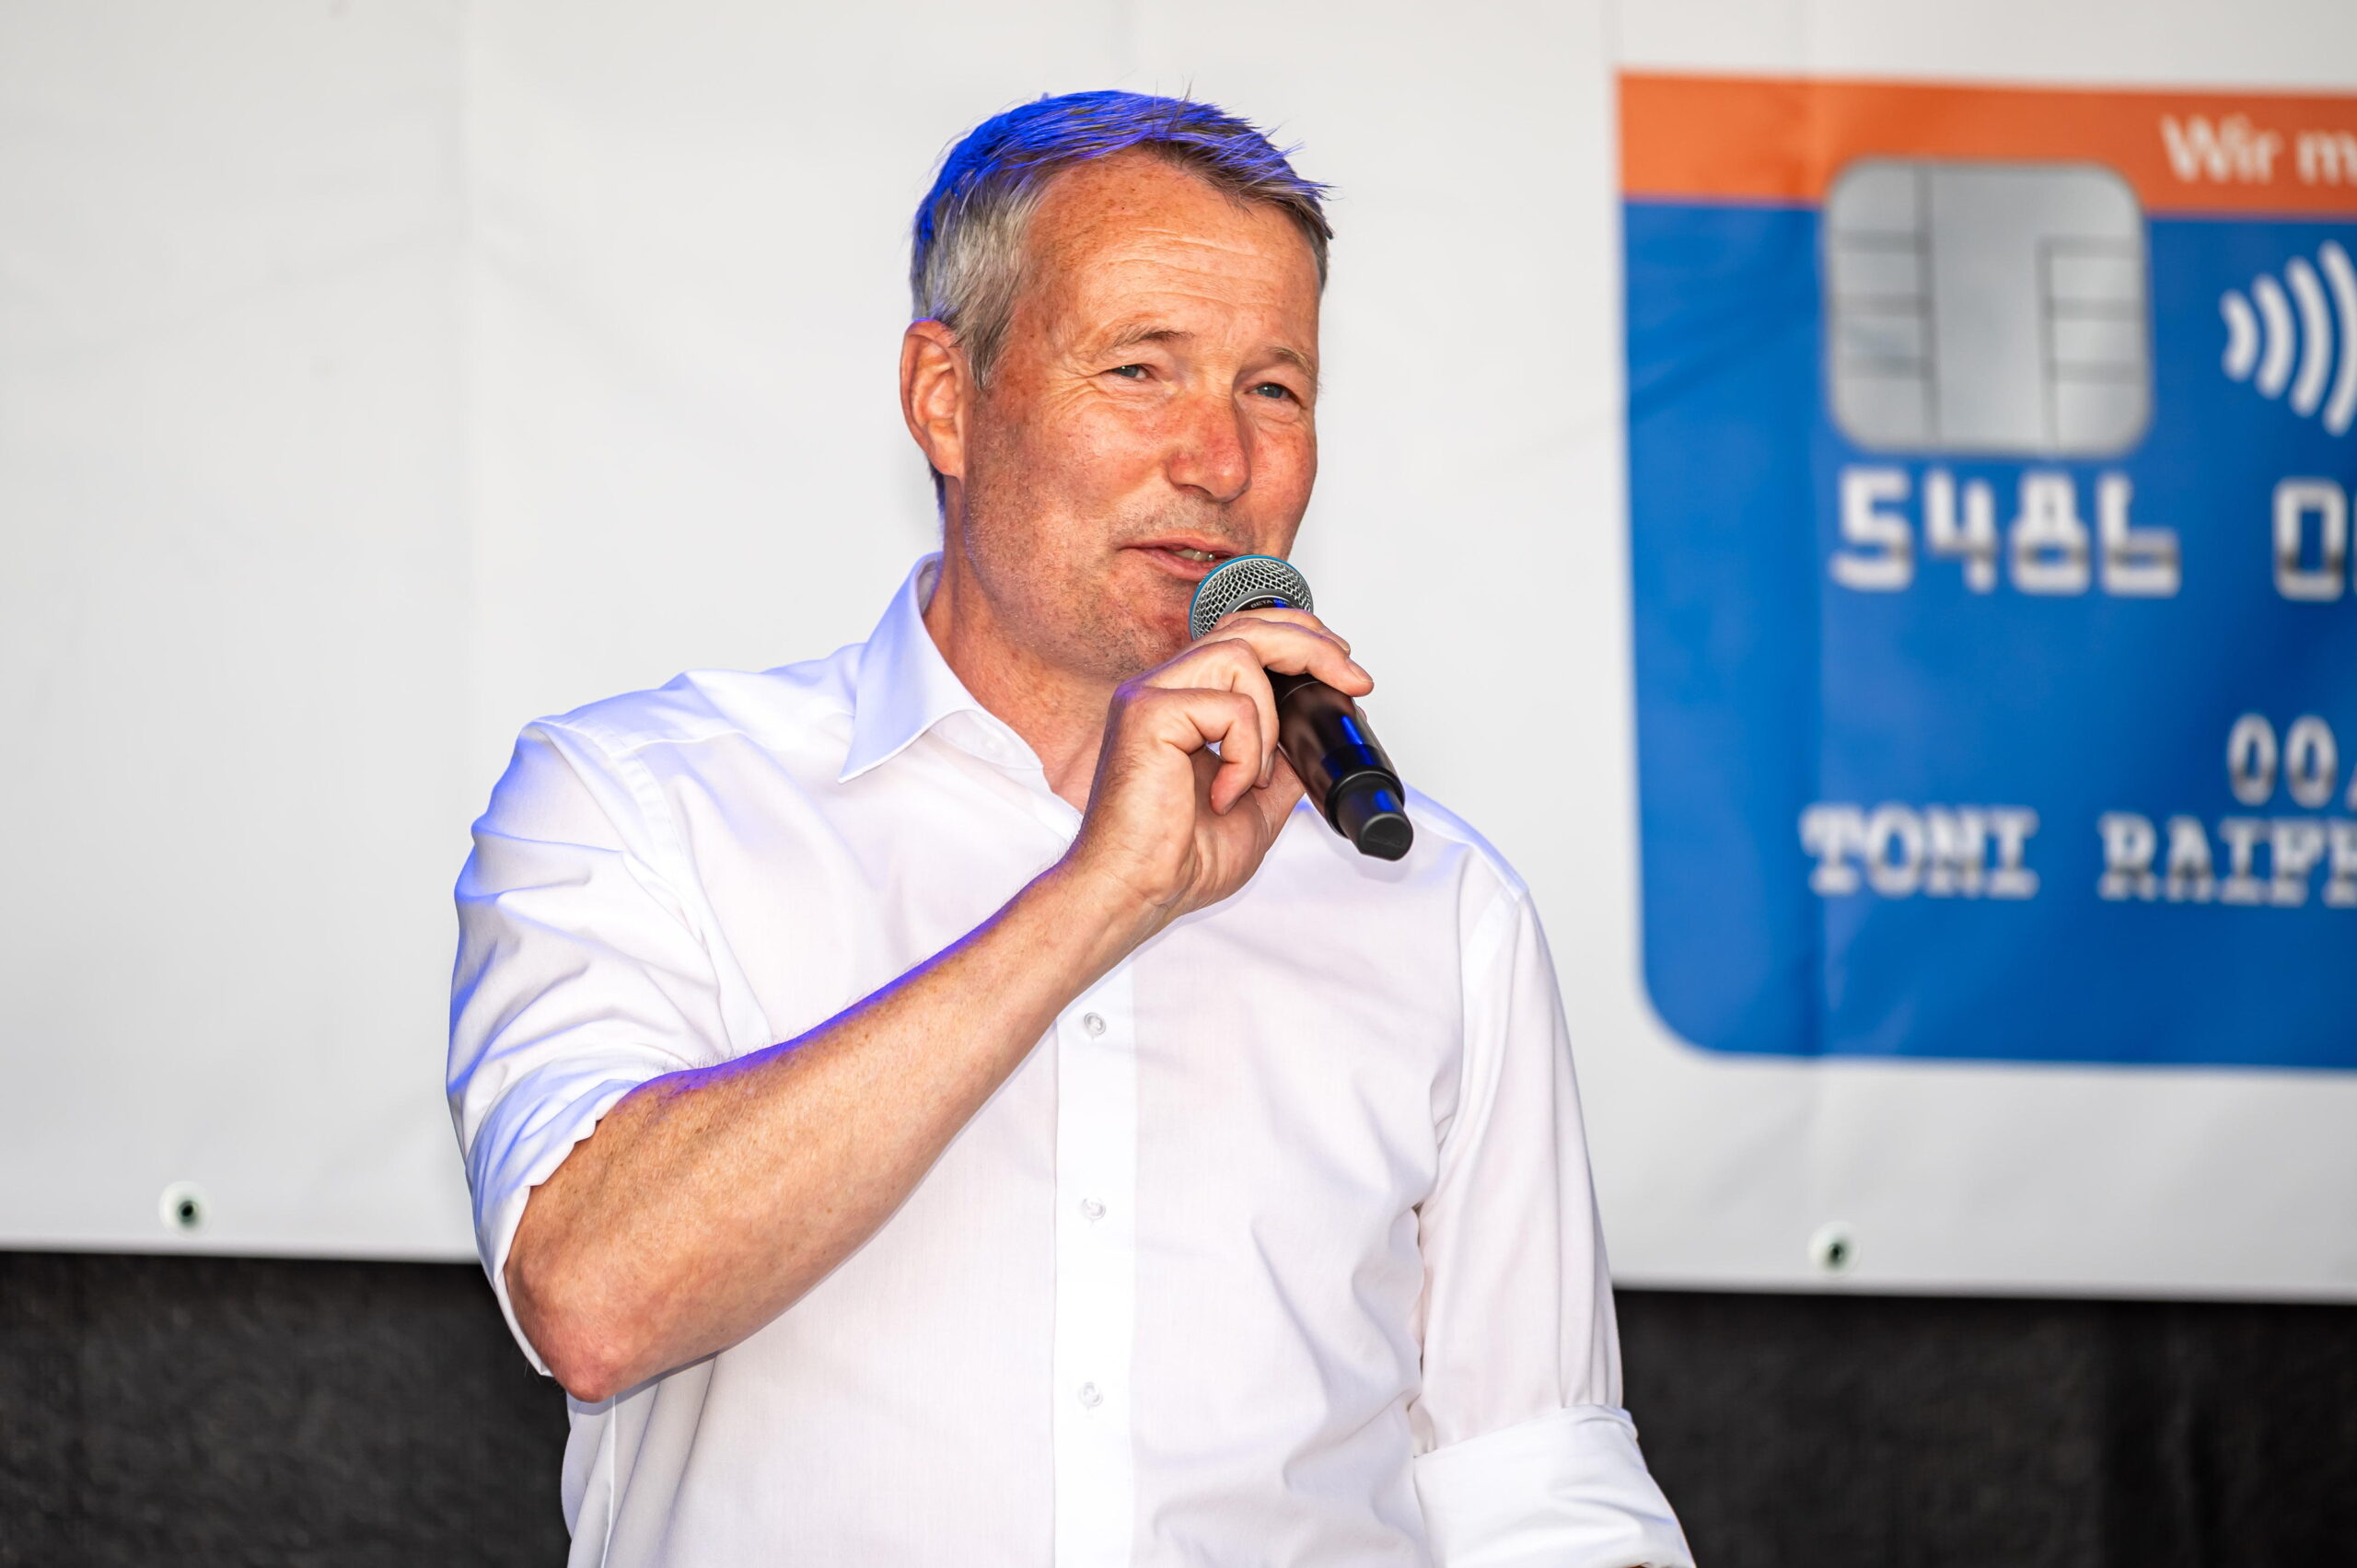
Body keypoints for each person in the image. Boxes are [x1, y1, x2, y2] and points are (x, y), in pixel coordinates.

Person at [448, 90, 1691, 1568]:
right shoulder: (644, 803)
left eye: (1273, 388)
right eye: (1140, 368)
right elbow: (593, 1299)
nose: (1218, 459)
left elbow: (1532, 1489)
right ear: (945, 398)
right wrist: (1102, 893)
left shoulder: (1433, 899)